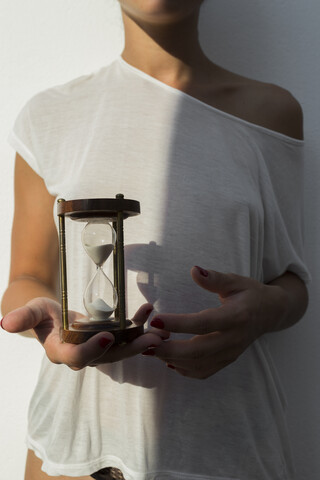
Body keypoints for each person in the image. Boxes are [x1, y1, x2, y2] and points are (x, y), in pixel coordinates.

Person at [1, 1, 310, 479]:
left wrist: (266, 309)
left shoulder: (270, 113)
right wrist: (50, 325)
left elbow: (291, 282)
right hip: (78, 444)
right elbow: (25, 277)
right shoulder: (51, 116)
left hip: (222, 438)